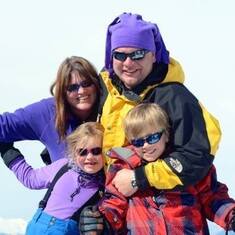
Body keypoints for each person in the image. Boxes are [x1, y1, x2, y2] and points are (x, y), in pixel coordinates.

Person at [98, 12, 221, 196]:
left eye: (138, 54)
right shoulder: (105, 89)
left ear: (153, 55)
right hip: (114, 207)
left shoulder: (173, 96)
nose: (128, 63)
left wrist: (140, 178)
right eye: (120, 55)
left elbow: (197, 154)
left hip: (167, 213)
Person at [80, 103, 235, 235]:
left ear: (166, 135)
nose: (146, 146)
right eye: (139, 142)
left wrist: (230, 215)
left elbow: (213, 198)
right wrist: (100, 220)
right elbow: (114, 203)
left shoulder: (185, 166)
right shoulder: (123, 168)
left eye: (153, 138)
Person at [0, 122, 105, 235]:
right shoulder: (63, 167)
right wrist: (6, 150)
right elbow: (31, 178)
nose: (89, 157)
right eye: (82, 152)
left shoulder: (104, 188)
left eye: (96, 151)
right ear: (74, 152)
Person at [0, 56, 100, 164]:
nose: (81, 91)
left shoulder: (112, 108)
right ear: (63, 91)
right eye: (72, 88)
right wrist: (13, 160)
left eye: (86, 84)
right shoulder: (48, 113)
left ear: (96, 83)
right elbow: (3, 126)